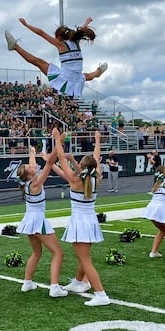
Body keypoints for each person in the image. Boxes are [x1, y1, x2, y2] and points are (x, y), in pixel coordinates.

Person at [55, 129, 110, 306]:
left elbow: (61, 158)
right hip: (90, 221)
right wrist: (97, 141)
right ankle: (79, 282)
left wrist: (58, 140)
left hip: (80, 222)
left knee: (85, 259)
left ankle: (101, 294)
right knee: (82, 255)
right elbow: (96, 158)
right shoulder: (97, 177)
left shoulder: (75, 179)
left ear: (82, 165)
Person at [4, 17, 107, 98]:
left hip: (66, 78)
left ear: (59, 37)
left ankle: (15, 47)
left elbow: (42, 33)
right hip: (76, 77)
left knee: (38, 62)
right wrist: (86, 23)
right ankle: (98, 72)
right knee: (88, 76)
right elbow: (80, 30)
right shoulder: (76, 41)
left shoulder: (60, 44)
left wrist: (26, 25)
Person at [15, 146, 67, 298]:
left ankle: (27, 282)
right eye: (30, 167)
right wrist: (57, 146)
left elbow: (34, 167)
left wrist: (32, 153)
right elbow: (49, 166)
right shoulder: (36, 183)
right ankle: (54, 287)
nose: (32, 166)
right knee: (58, 253)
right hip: (38, 220)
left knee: (37, 252)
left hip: (30, 219)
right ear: (29, 173)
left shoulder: (27, 183)